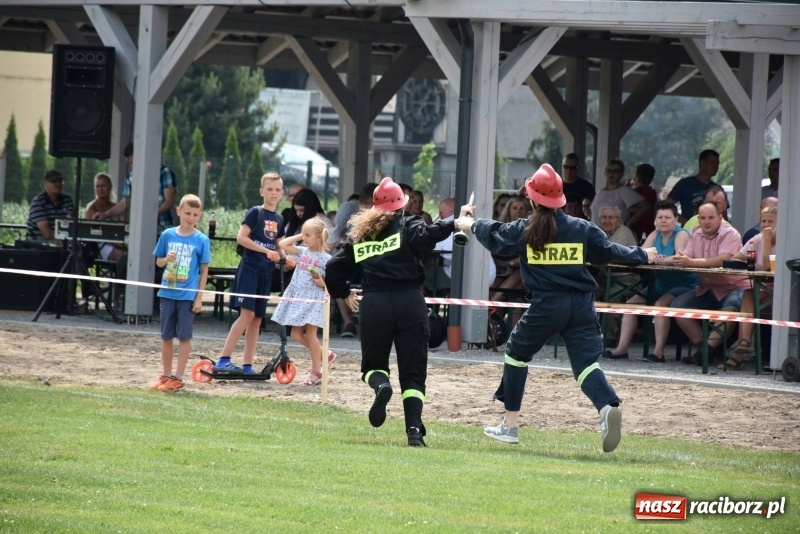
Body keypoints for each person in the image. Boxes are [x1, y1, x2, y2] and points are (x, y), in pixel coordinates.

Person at [452, 163, 656, 452]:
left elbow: (497, 236)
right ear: (560, 198)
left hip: (547, 304)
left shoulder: (526, 228)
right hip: (582, 305)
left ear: (532, 199)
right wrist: (644, 255)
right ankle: (607, 407)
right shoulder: (582, 227)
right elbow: (610, 252)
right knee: (586, 364)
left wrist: (469, 224)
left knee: (516, 354)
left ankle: (509, 425)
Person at [325, 177, 455, 447]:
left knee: (372, 366)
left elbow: (334, 268)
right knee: (413, 372)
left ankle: (381, 385)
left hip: (375, 303)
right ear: (402, 206)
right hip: (410, 301)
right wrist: (455, 221)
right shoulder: (409, 225)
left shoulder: (361, 236)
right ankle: (414, 431)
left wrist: (344, 293)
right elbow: (431, 235)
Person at [604, 201, 698, 363]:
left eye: (668, 217)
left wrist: (658, 260)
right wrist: (657, 259)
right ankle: (621, 350)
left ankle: (658, 352)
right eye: (660, 217)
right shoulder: (655, 234)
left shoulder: (681, 234)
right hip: (659, 284)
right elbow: (642, 255)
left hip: (684, 285)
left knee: (660, 305)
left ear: (676, 219)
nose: (663, 220)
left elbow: (679, 258)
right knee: (630, 304)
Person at [213, 173, 285, 374]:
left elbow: (279, 244)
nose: (273, 193)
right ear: (262, 191)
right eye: (269, 189)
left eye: (277, 190)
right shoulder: (256, 212)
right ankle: (223, 359)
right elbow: (241, 238)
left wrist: (285, 257)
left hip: (266, 272)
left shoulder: (279, 218)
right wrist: (266, 251)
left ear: (282, 194)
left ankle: (247, 365)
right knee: (247, 315)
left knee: (257, 319)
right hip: (250, 269)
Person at [671, 201, 750, 365]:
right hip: (708, 288)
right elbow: (687, 256)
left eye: (711, 217)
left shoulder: (731, 234)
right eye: (702, 218)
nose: (706, 221)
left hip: (734, 287)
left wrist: (689, 262)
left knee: (730, 310)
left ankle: (707, 350)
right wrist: (680, 257)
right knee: (677, 306)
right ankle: (704, 349)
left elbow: (723, 260)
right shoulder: (695, 232)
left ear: (720, 217)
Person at [150, 194, 211, 392]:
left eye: (195, 214)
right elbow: (158, 262)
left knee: (184, 337)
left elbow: (204, 270)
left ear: (199, 215)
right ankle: (166, 376)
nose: (190, 218)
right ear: (178, 211)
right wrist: (166, 259)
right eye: (187, 213)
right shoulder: (167, 234)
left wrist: (199, 297)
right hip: (167, 292)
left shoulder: (202, 240)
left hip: (187, 296)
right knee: (166, 336)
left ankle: (179, 377)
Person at [271, 218, 335, 386]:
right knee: (295, 334)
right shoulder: (302, 251)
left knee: (311, 334)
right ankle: (324, 353)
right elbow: (283, 244)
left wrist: (320, 281)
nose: (304, 238)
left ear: (319, 237)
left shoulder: (326, 259)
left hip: (314, 298)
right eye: (303, 234)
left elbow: (329, 284)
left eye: (308, 235)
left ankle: (316, 372)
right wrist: (301, 234)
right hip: (298, 296)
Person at [723, 205, 778, 369]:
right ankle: (745, 343)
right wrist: (748, 263)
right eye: (763, 221)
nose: (766, 225)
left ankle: (739, 354)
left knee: (750, 295)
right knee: (749, 294)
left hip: (784, 292)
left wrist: (767, 239)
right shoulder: (757, 238)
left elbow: (769, 266)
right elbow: (736, 259)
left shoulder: (785, 239)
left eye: (771, 221)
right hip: (762, 289)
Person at [328, 182, 378, 339]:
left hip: (373, 259)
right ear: (362, 204)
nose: (374, 209)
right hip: (353, 253)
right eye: (371, 205)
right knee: (338, 274)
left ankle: (372, 321)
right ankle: (348, 322)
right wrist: (330, 251)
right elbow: (335, 231)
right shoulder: (350, 207)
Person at [96, 142, 177, 236]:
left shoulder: (164, 172)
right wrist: (106, 214)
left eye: (133, 162)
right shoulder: (130, 177)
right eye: (130, 163)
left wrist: (150, 215)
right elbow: (125, 203)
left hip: (164, 229)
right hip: (142, 230)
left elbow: (170, 201)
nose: (132, 166)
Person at [590, 158, 647, 226]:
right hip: (596, 233)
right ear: (605, 173)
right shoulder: (601, 191)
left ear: (621, 174)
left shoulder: (624, 190)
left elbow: (645, 206)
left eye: (616, 171)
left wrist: (629, 221)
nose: (612, 173)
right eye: (609, 170)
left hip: (615, 233)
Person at [667, 149, 720, 223]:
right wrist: (686, 222)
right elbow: (667, 206)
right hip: (689, 232)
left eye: (717, 164)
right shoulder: (685, 184)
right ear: (702, 163)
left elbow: (723, 214)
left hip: (711, 232)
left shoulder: (718, 189)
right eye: (713, 162)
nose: (716, 166)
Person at [84, 173, 125, 262]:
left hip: (120, 242)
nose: (100, 189)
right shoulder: (91, 208)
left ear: (110, 187)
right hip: (102, 245)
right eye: (97, 186)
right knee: (126, 257)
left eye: (103, 186)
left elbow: (124, 227)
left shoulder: (116, 207)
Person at [26, 169, 75, 243]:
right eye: (54, 181)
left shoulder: (67, 200)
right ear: (45, 184)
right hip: (39, 248)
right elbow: (47, 234)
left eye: (60, 181)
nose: (58, 184)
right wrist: (65, 234)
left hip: (63, 245)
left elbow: (72, 224)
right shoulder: (38, 203)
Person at [628, 163, 657, 241]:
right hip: (649, 228)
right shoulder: (652, 192)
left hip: (637, 228)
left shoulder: (637, 193)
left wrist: (629, 222)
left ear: (637, 177)